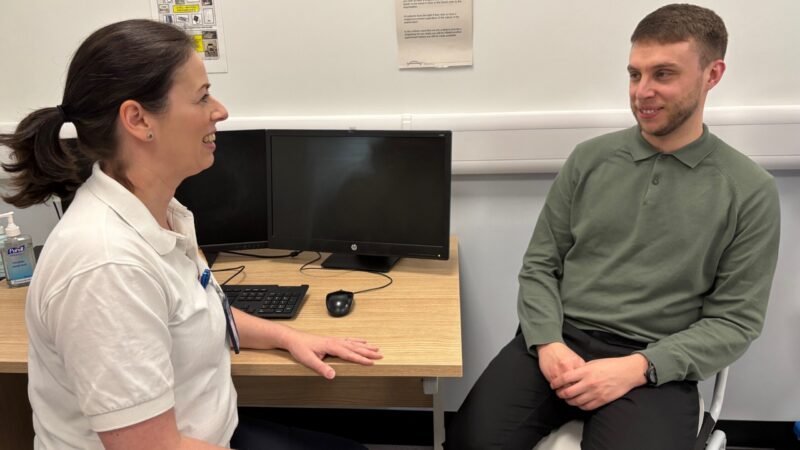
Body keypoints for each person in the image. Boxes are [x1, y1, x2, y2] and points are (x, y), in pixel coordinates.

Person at [0, 19, 382, 449]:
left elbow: (198, 311)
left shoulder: (164, 215)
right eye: (202, 97)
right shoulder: (105, 265)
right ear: (138, 119)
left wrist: (288, 336)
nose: (220, 111)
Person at [445, 4, 780, 450]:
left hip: (654, 363)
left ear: (712, 74)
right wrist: (547, 343)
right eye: (634, 74)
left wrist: (638, 367)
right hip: (559, 341)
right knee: (469, 443)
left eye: (663, 74)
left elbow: (735, 322)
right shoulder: (589, 159)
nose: (643, 91)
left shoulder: (749, 190)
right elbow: (540, 267)